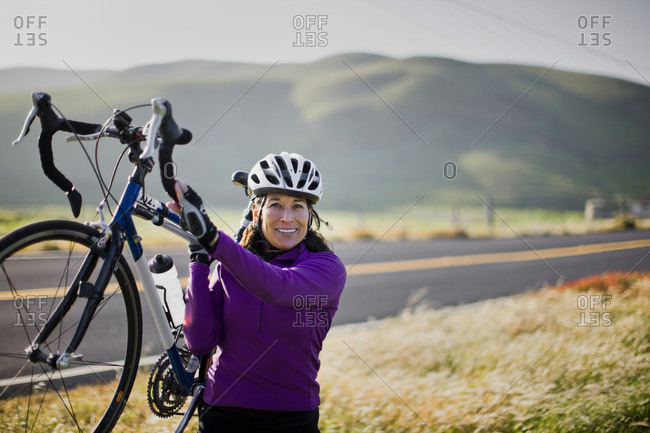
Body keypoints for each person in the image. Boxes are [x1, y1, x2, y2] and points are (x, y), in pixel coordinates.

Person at [172, 152, 346, 433]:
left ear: (309, 214)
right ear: (256, 211)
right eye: (276, 204)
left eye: (298, 206)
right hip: (222, 412)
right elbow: (200, 342)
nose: (287, 217)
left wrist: (214, 239)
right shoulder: (231, 265)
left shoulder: (326, 268)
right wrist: (199, 263)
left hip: (292, 418)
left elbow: (277, 287)